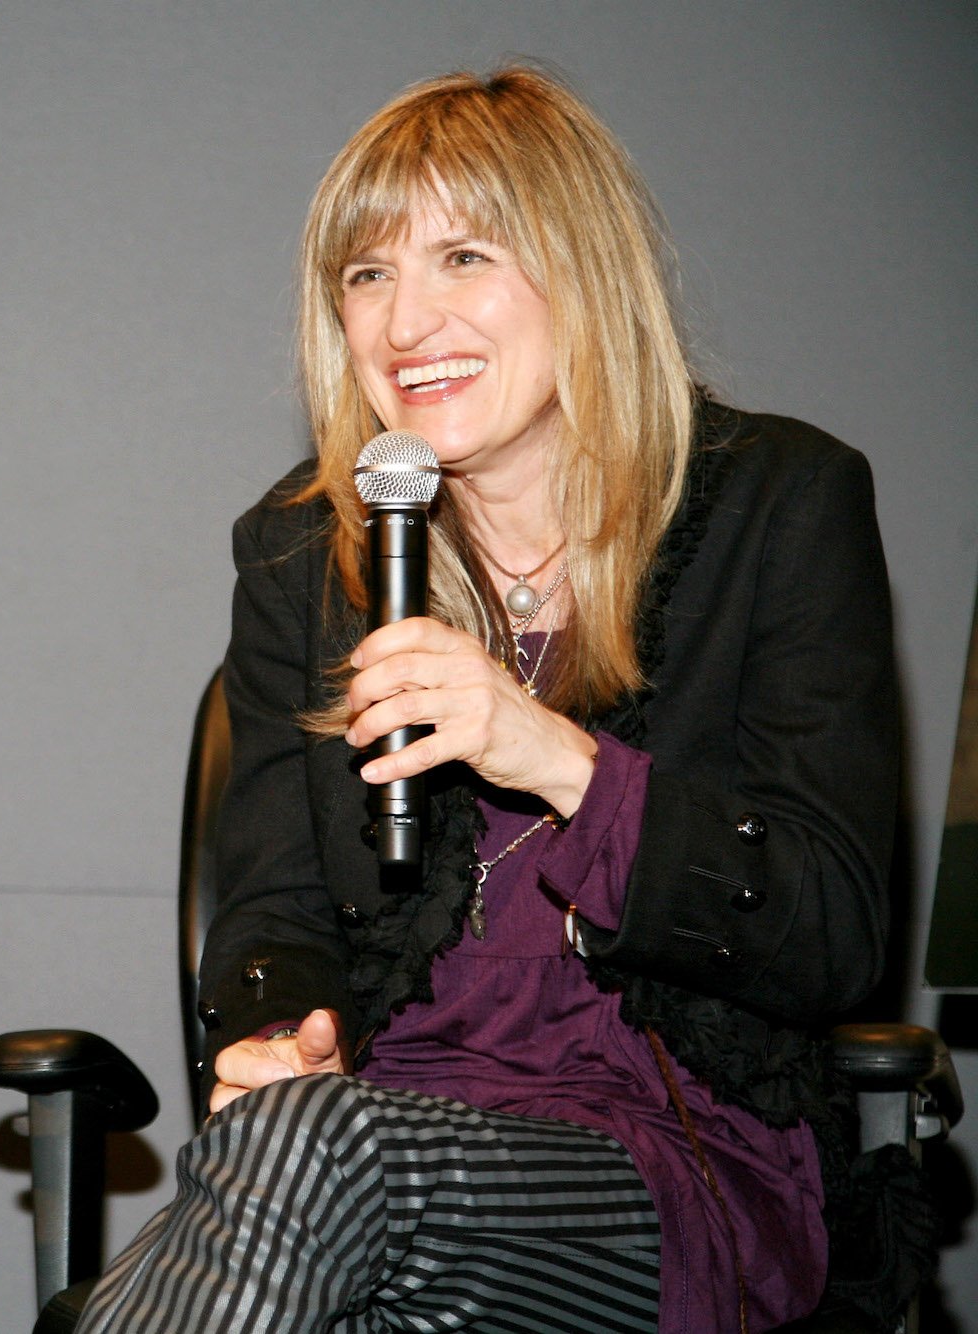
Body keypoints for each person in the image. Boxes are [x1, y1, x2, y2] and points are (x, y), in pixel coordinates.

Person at [79, 67, 917, 1332]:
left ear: (581, 272)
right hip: (363, 1139)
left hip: (669, 1152)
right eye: (365, 275)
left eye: (460, 256)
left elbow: (833, 928)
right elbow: (270, 909)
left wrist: (553, 753)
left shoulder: (775, 503)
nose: (402, 322)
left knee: (312, 1162)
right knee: (307, 1182)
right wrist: (277, 1033)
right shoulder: (305, 556)